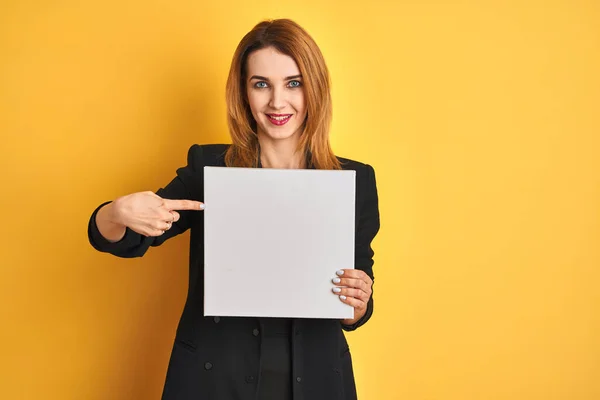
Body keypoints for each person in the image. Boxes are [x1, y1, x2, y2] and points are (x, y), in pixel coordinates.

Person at [87, 18, 380, 400]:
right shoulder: (210, 169)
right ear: (243, 92)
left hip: (314, 381)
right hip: (214, 379)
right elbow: (127, 239)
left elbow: (358, 295)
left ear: (315, 88)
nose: (278, 102)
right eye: (261, 84)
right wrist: (116, 213)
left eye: (294, 83)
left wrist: (357, 304)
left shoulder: (354, 179)